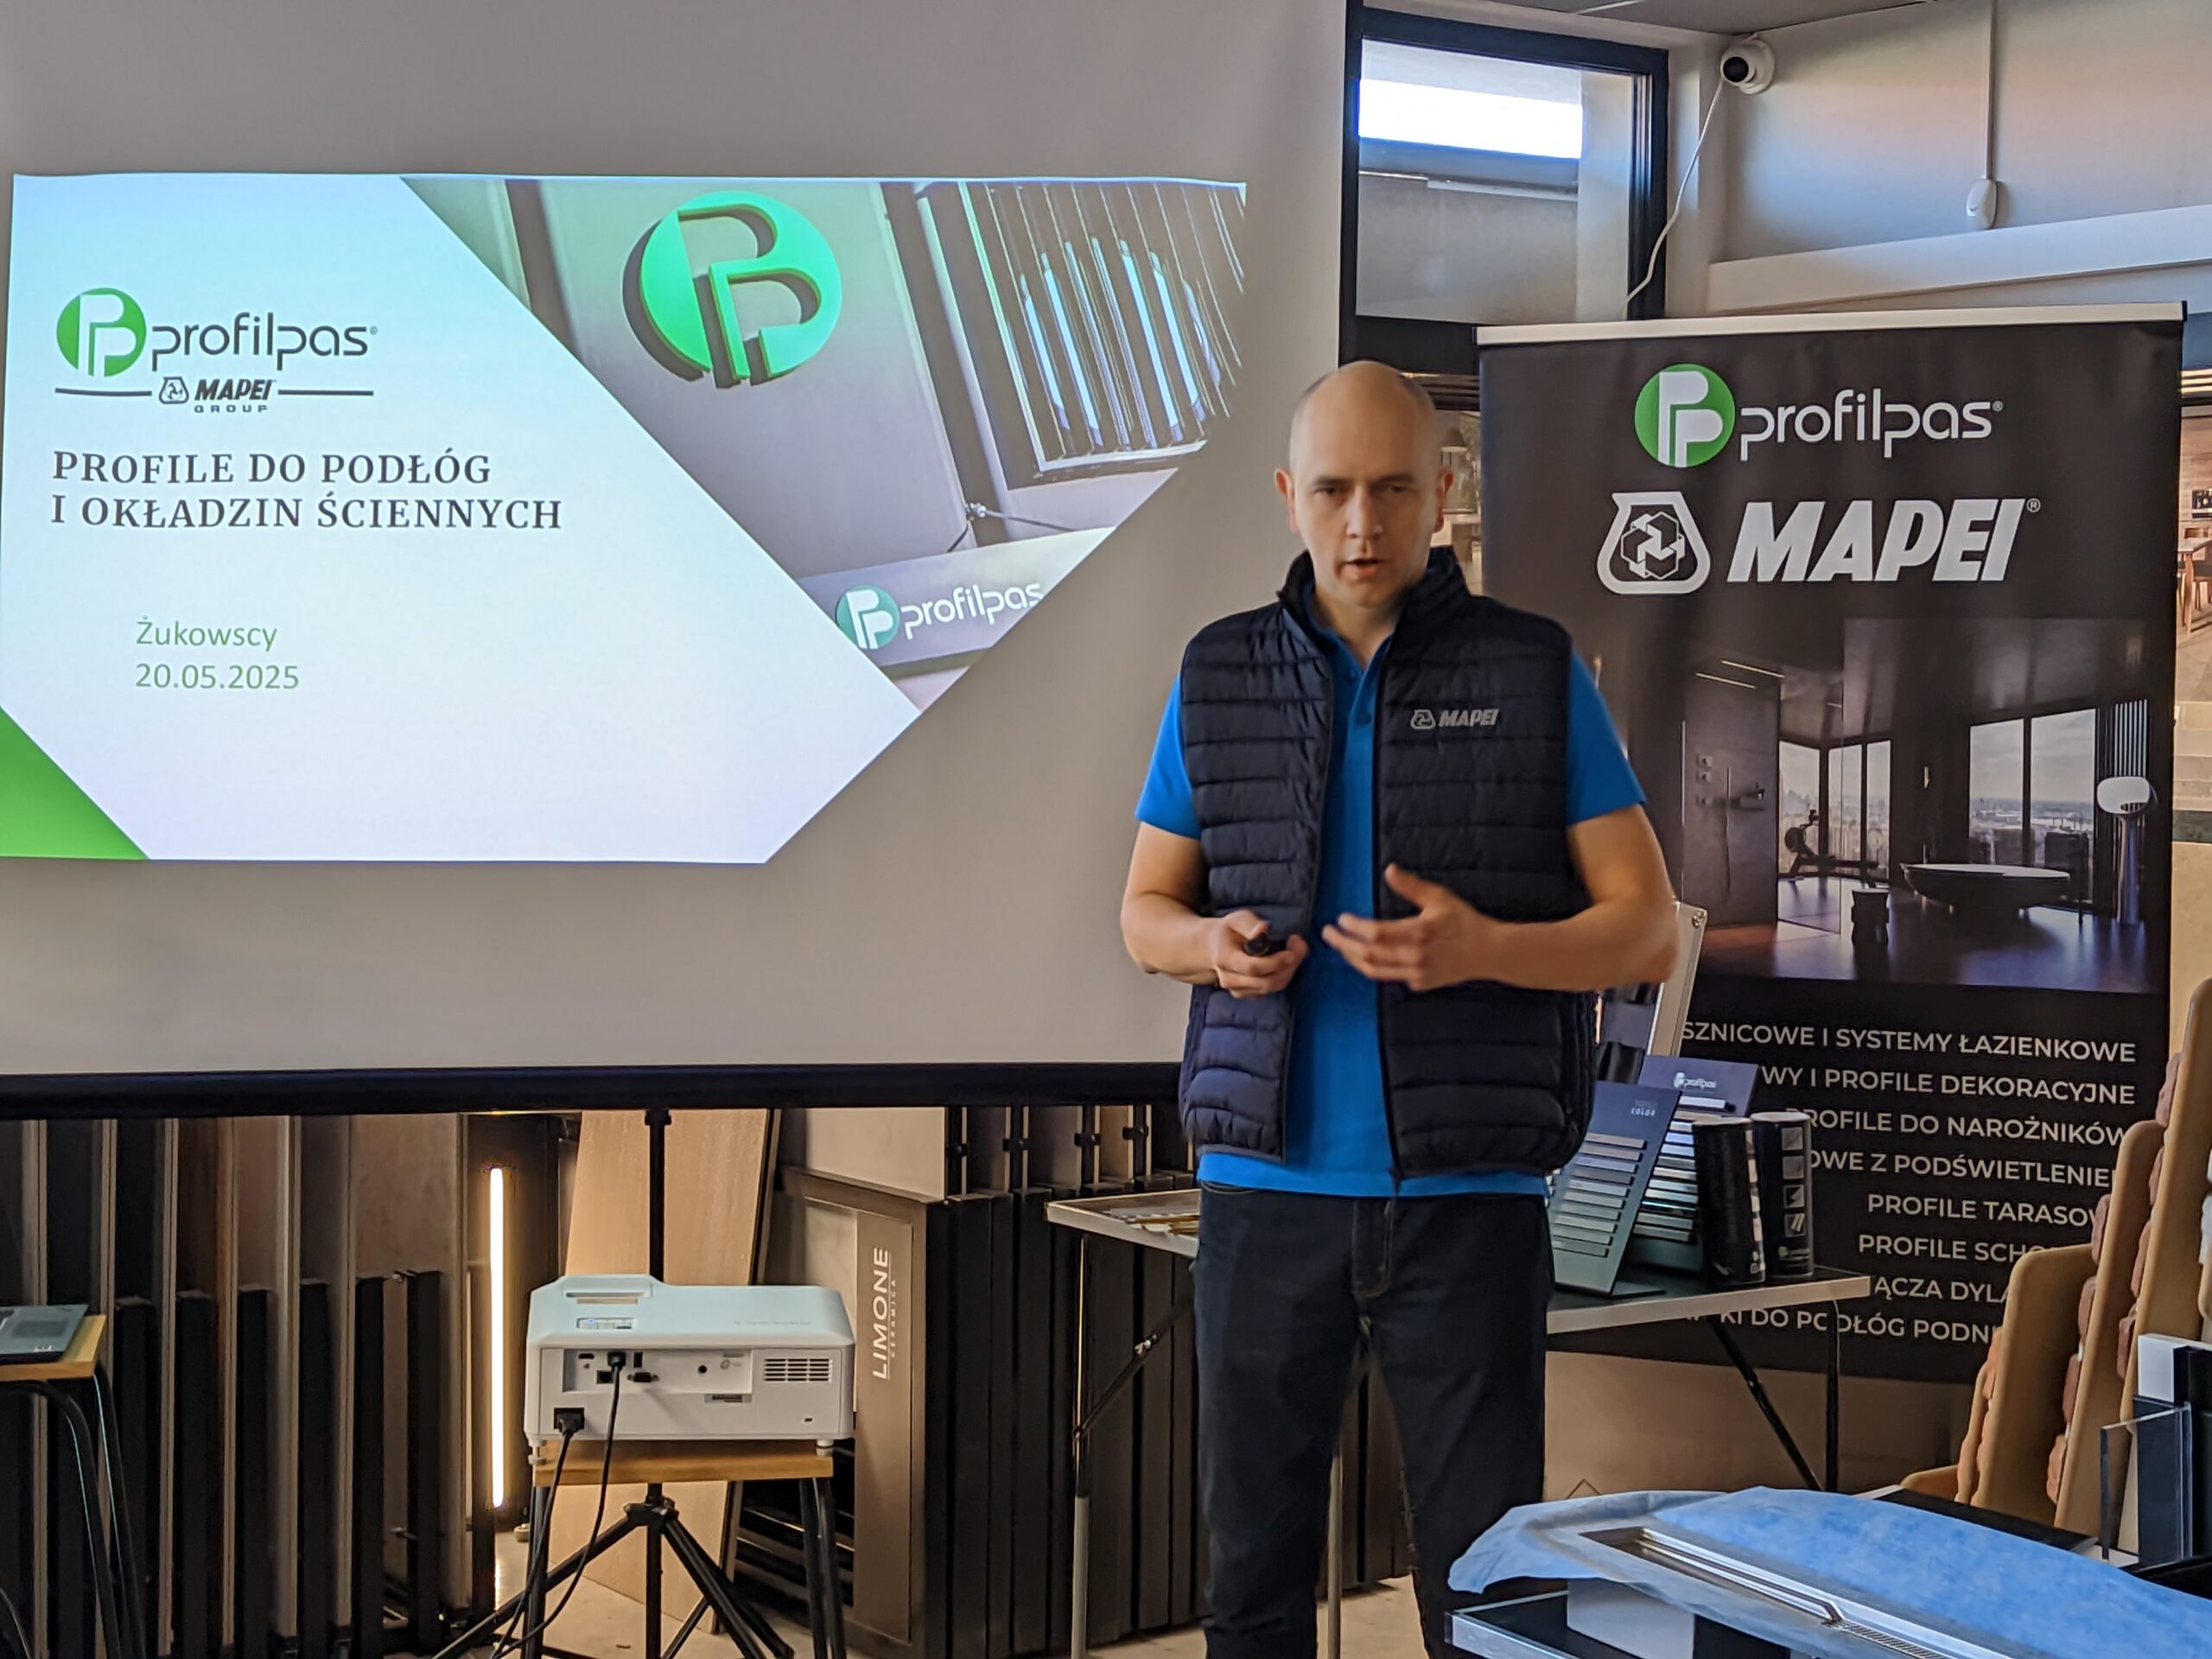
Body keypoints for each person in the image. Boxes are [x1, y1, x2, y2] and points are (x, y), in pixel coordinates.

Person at [1119, 362, 1678, 1657]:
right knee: (1251, 1580)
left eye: (1390, 490)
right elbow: (1144, 913)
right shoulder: (1219, 673)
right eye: (1332, 491)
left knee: (1490, 1594)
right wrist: (1210, 947)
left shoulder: (1533, 670)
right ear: (1288, 495)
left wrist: (1486, 948)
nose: (1361, 523)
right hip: (1265, 1196)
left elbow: (1646, 928)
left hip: (1469, 1201)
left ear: (1443, 490)